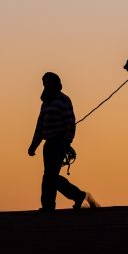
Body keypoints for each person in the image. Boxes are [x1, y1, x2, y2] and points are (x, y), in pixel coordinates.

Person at [28, 72, 98, 211]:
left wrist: (66, 143)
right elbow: (40, 125)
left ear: (55, 83)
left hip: (59, 142)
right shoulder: (46, 102)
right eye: (44, 83)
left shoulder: (63, 100)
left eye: (48, 82)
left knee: (50, 176)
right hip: (48, 144)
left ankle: (73, 197)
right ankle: (54, 203)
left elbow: (70, 123)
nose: (45, 85)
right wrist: (33, 145)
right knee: (49, 175)